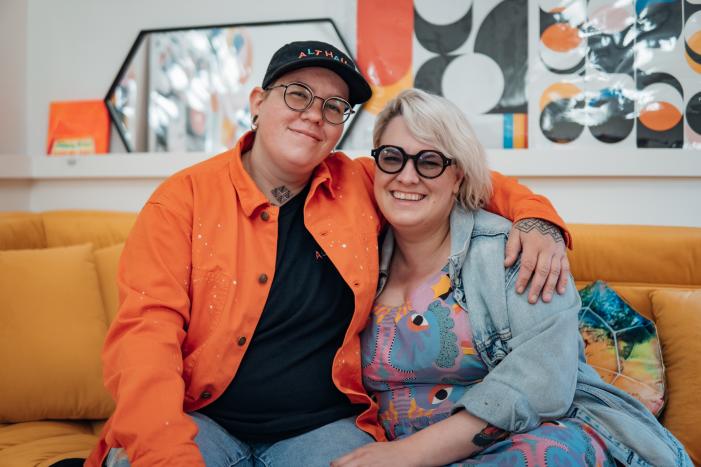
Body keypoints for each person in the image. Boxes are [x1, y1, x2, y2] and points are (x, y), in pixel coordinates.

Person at [87, 42, 573, 467]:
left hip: (321, 430)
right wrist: (168, 456)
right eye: (298, 94)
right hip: (202, 420)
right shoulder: (182, 202)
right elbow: (144, 341)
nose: (314, 114)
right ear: (257, 103)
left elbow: (453, 175)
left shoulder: (361, 183)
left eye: (334, 106)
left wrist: (535, 219)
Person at [332, 89, 692, 467]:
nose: (407, 176)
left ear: (458, 177)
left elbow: (542, 383)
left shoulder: (518, 248)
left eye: (430, 162)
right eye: (392, 158)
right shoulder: (357, 253)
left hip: (534, 437)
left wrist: (407, 454)